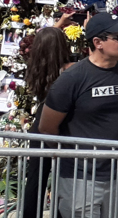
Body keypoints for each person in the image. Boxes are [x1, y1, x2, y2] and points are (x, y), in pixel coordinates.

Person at [39, 13, 118, 218]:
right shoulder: (72, 79)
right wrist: (74, 158)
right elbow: (47, 128)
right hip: (80, 178)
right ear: (98, 42)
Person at [22, 26, 75, 218]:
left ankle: (29, 214)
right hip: (61, 121)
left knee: (36, 175)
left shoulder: (35, 66)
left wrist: (59, 23)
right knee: (65, 172)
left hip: (40, 122)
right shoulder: (68, 70)